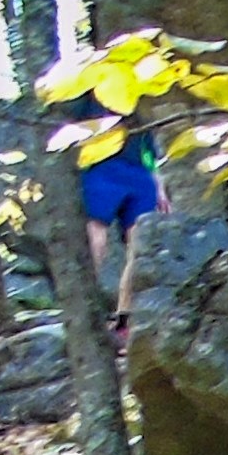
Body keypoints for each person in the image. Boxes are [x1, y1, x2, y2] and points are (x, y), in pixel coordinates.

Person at [74, 128, 159, 337]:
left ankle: (124, 317)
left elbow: (148, 149)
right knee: (98, 239)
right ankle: (86, 311)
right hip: (103, 167)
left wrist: (158, 183)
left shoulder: (140, 109)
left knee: (140, 246)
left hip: (135, 172)